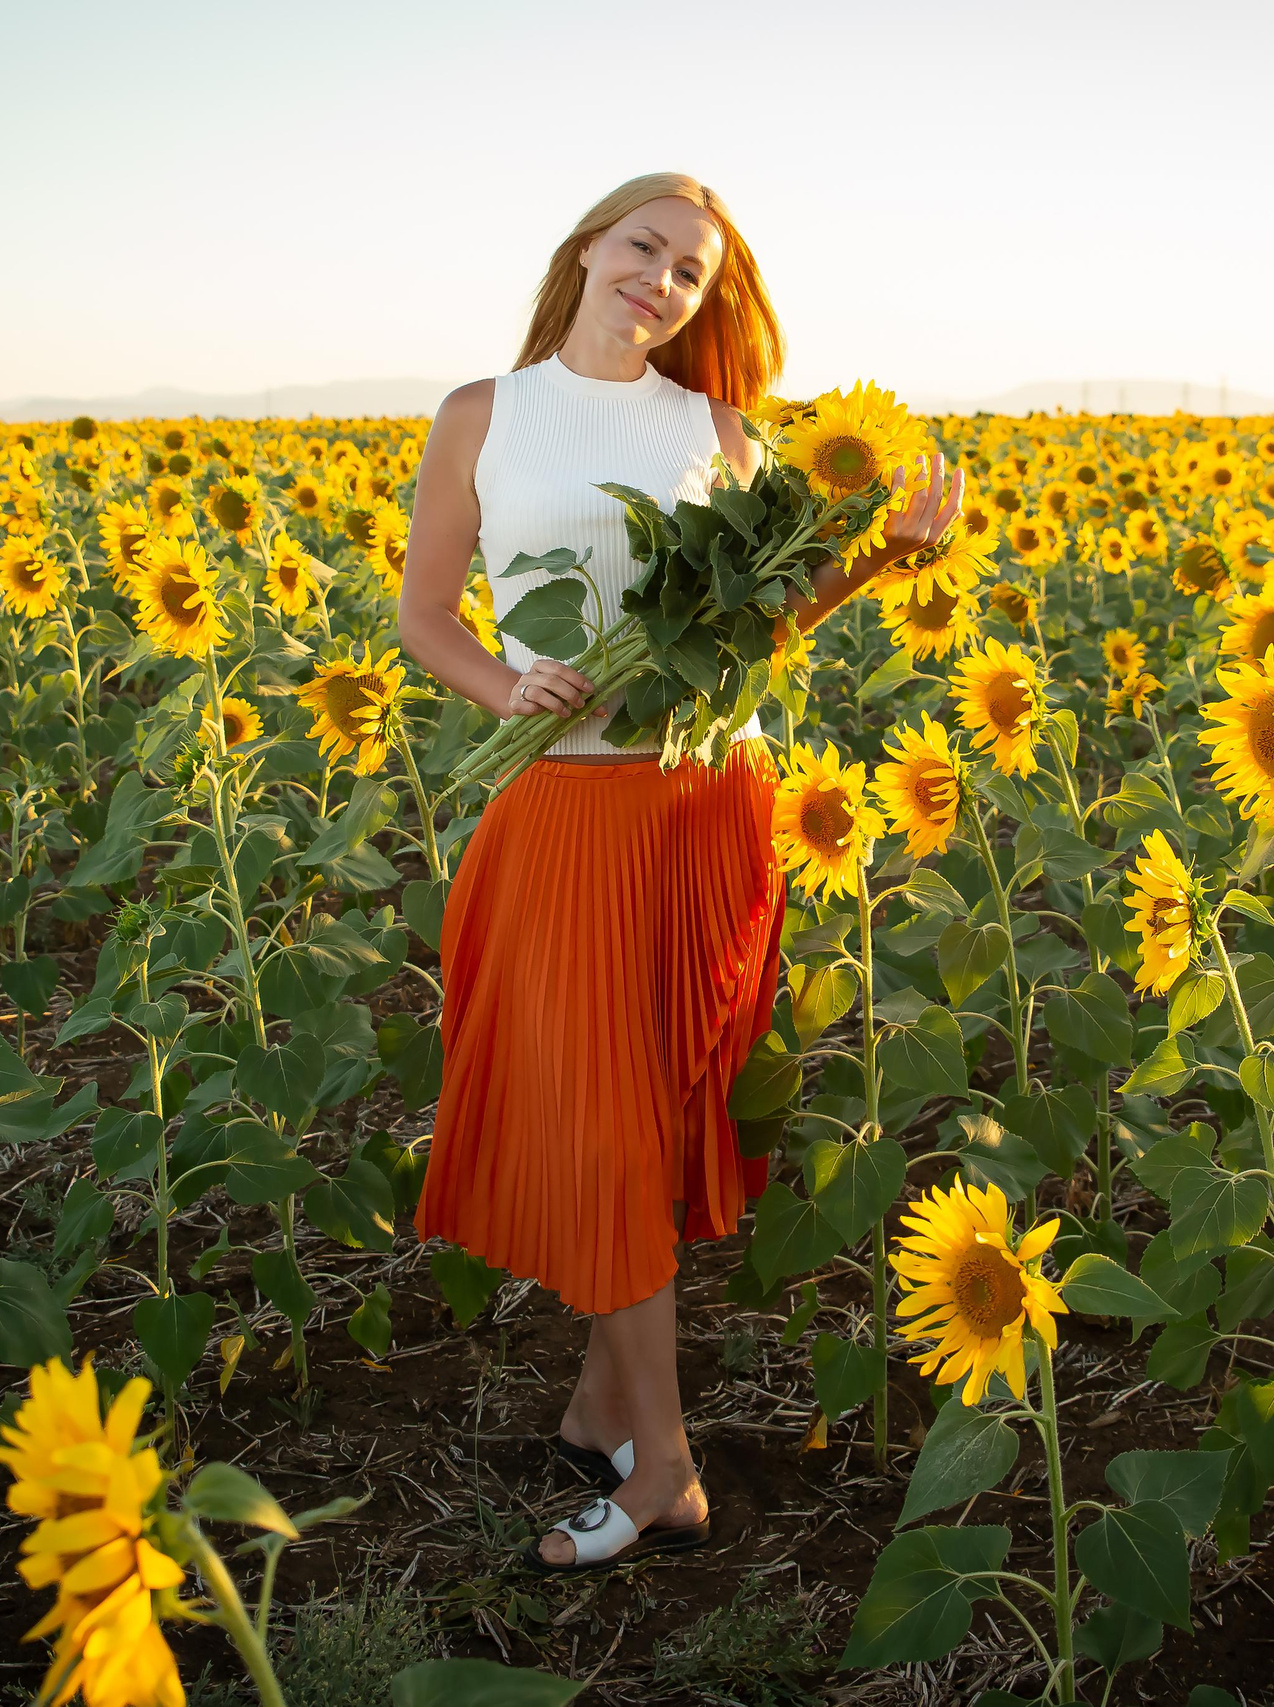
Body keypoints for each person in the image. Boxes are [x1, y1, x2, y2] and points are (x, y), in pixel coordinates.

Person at [395, 172, 963, 1572]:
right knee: (598, 1123)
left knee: (635, 1124)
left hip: (704, 801)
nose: (663, 279)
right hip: (562, 807)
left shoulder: (722, 432)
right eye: (646, 246)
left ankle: (641, 1453)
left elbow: (762, 625)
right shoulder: (484, 412)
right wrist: (497, 687)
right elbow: (424, 616)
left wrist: (876, 567)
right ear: (590, 244)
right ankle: (651, 1446)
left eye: (693, 273)